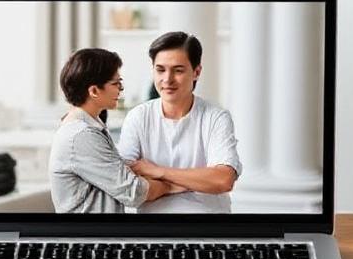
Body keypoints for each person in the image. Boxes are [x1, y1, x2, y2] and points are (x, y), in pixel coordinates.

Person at [117, 32, 242, 213]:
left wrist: (157, 171)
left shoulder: (216, 117)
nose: (167, 79)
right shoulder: (138, 117)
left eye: (178, 70)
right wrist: (185, 183)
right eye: (160, 70)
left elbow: (223, 180)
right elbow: (127, 184)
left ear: (196, 72)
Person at [49, 48, 181, 213]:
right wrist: (171, 186)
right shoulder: (82, 136)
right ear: (94, 91)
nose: (121, 89)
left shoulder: (90, 127)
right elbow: (134, 192)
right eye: (115, 83)